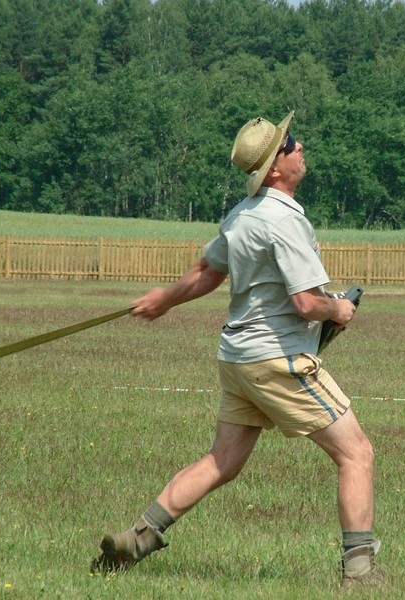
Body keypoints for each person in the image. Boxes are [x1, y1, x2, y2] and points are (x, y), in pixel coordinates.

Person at [91, 111, 382, 588]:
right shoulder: (285, 220)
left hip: (238, 360)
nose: (299, 145)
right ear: (274, 167)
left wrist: (164, 299)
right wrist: (339, 309)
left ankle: (136, 539)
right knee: (357, 453)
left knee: (222, 461)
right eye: (290, 143)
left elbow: (208, 271)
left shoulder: (242, 214)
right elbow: (306, 303)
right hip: (278, 359)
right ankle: (361, 574)